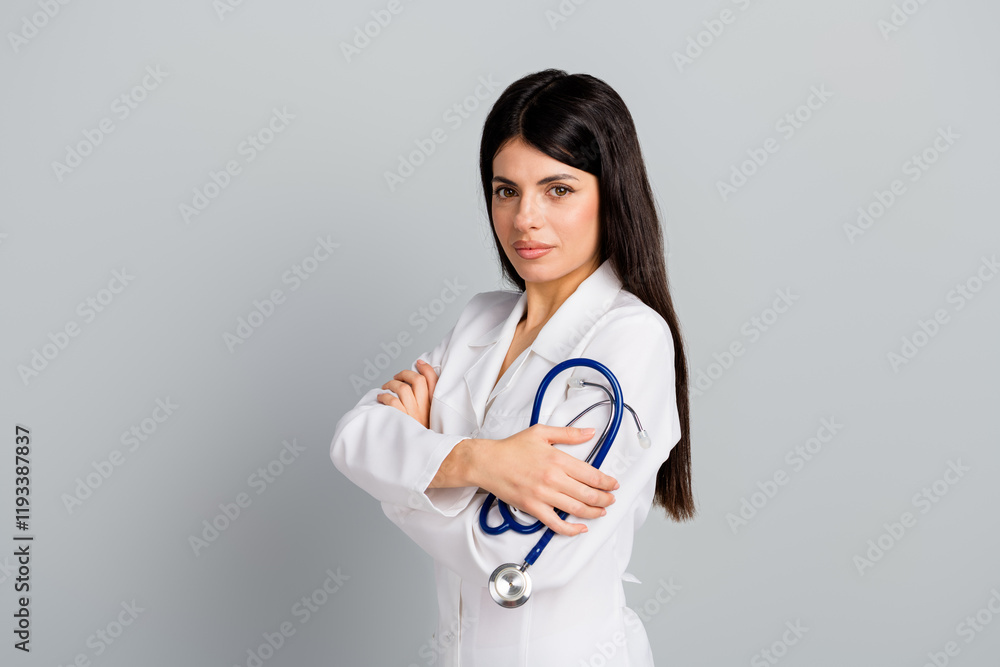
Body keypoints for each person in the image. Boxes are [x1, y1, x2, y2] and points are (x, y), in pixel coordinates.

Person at [331, 68, 694, 666]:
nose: (525, 218)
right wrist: (480, 462)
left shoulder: (632, 340)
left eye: (558, 190)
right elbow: (353, 439)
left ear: (611, 193)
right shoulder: (480, 321)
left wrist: (410, 473)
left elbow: (515, 561)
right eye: (506, 191)